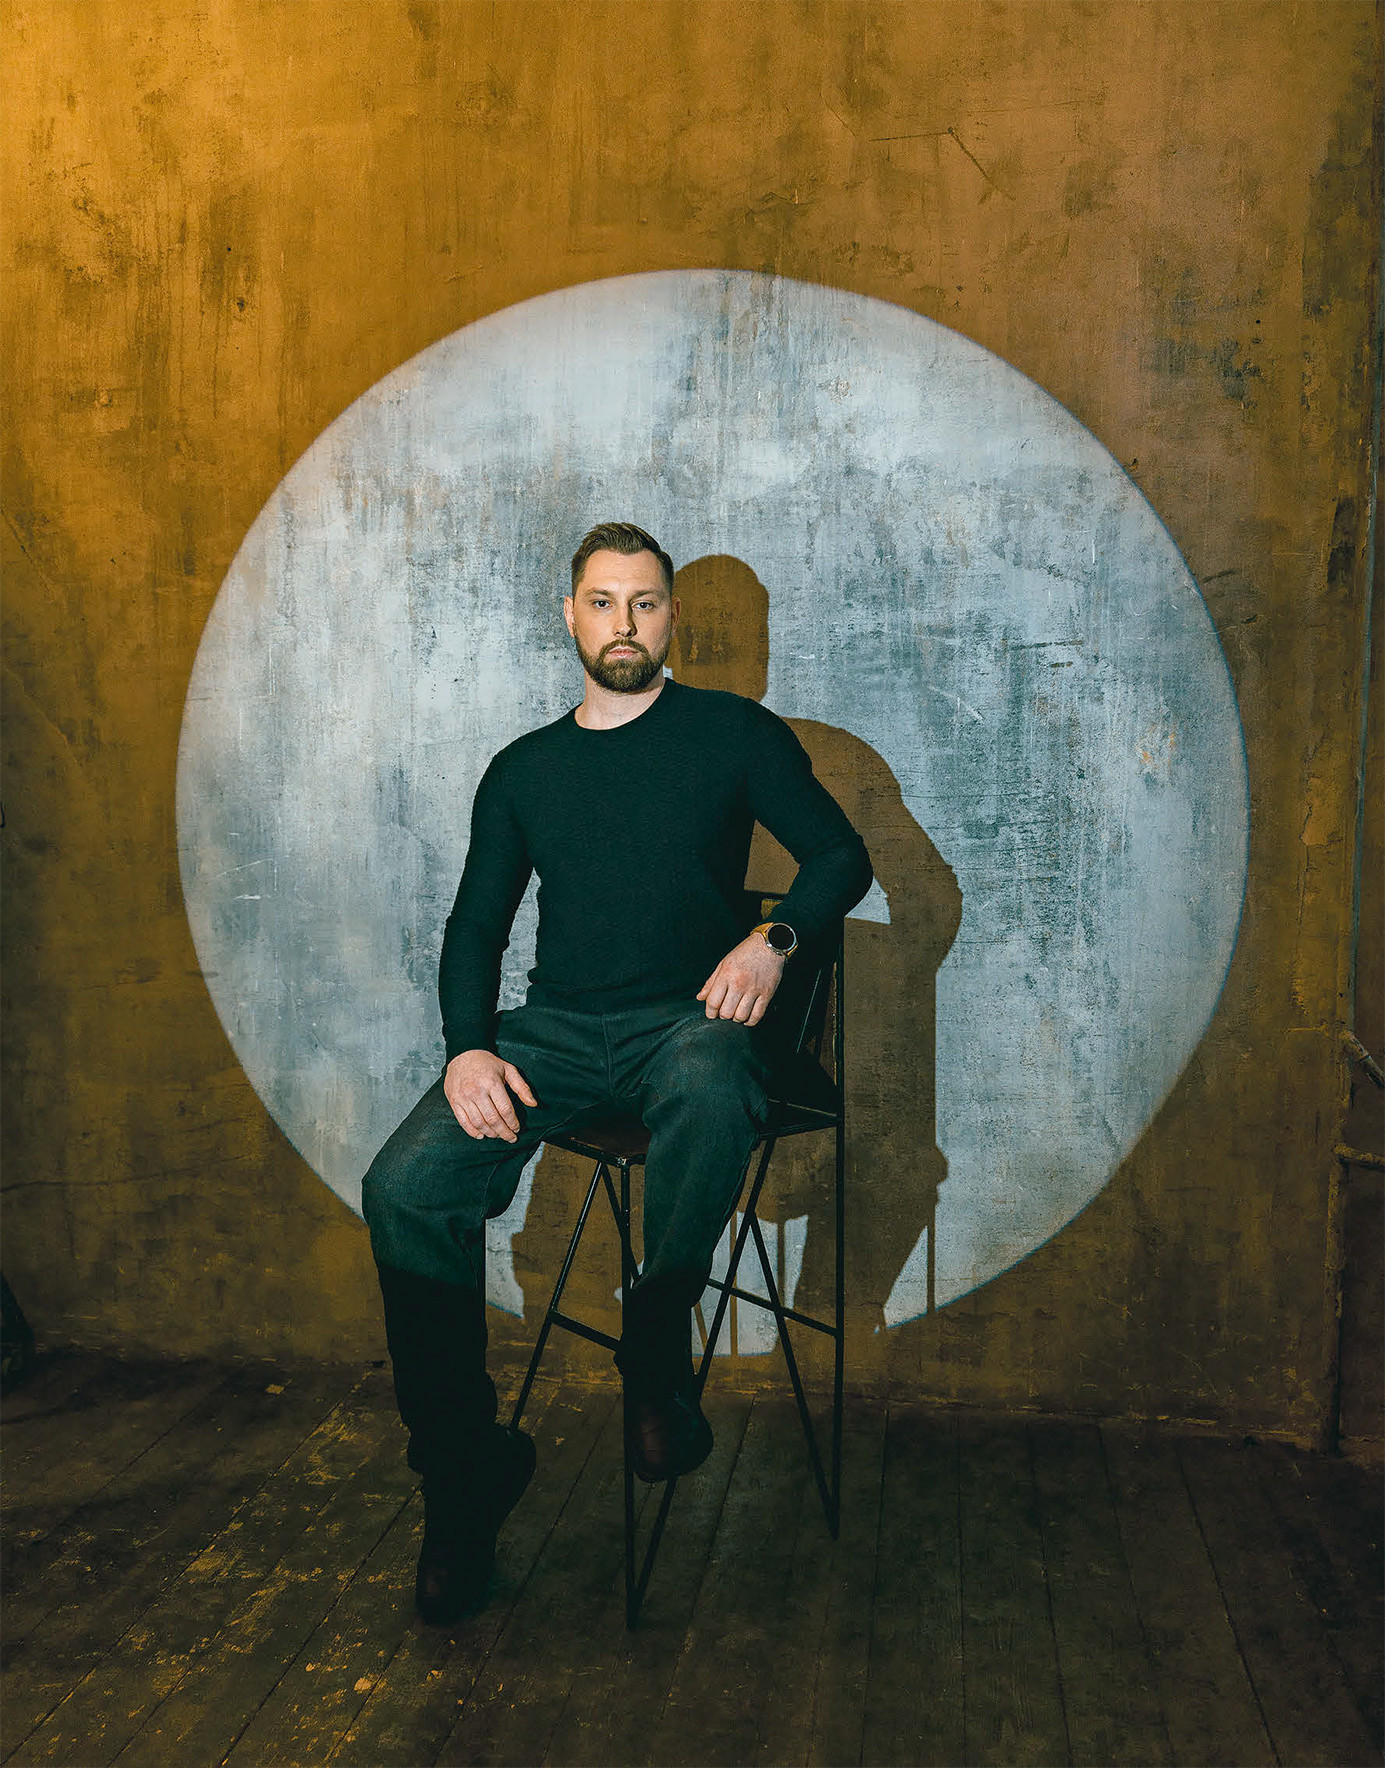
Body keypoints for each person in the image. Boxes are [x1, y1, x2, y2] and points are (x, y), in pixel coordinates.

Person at [362, 521, 873, 1624]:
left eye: (644, 603)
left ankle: (656, 1334)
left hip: (683, 1022)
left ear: (671, 616)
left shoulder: (732, 733)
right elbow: (475, 924)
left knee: (711, 1071)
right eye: (602, 602)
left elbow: (841, 856)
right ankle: (462, 1474)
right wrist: (467, 1047)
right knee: (403, 1186)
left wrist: (774, 939)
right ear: (570, 616)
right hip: (554, 1033)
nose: (623, 624)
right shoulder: (524, 769)